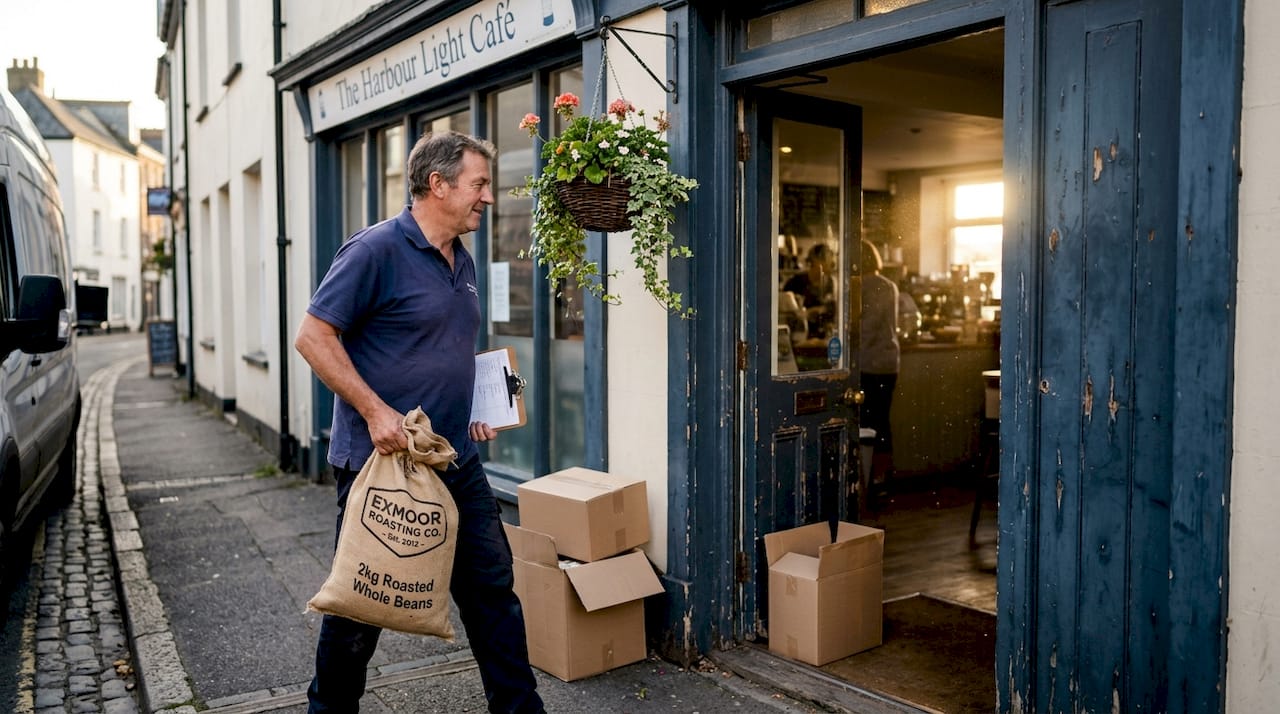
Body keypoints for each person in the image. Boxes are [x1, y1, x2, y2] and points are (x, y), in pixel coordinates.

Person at [295, 131, 545, 714]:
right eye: (479, 184)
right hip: (380, 466)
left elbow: (444, 346)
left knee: (492, 594)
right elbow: (313, 337)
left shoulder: (463, 259)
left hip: (454, 457)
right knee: (361, 604)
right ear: (438, 184)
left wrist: (479, 403)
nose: (488, 197)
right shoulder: (375, 251)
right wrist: (375, 411)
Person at [858, 241, 900, 509]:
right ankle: (880, 479)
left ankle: (870, 481)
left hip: (870, 362)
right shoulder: (888, 284)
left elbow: (867, 326)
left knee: (869, 424)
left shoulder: (864, 285)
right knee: (881, 422)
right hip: (888, 362)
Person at [783, 242, 837, 338]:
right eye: (828, 259)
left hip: (824, 338)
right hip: (799, 337)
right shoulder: (795, 283)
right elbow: (785, 316)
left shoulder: (831, 283)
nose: (832, 263)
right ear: (816, 260)